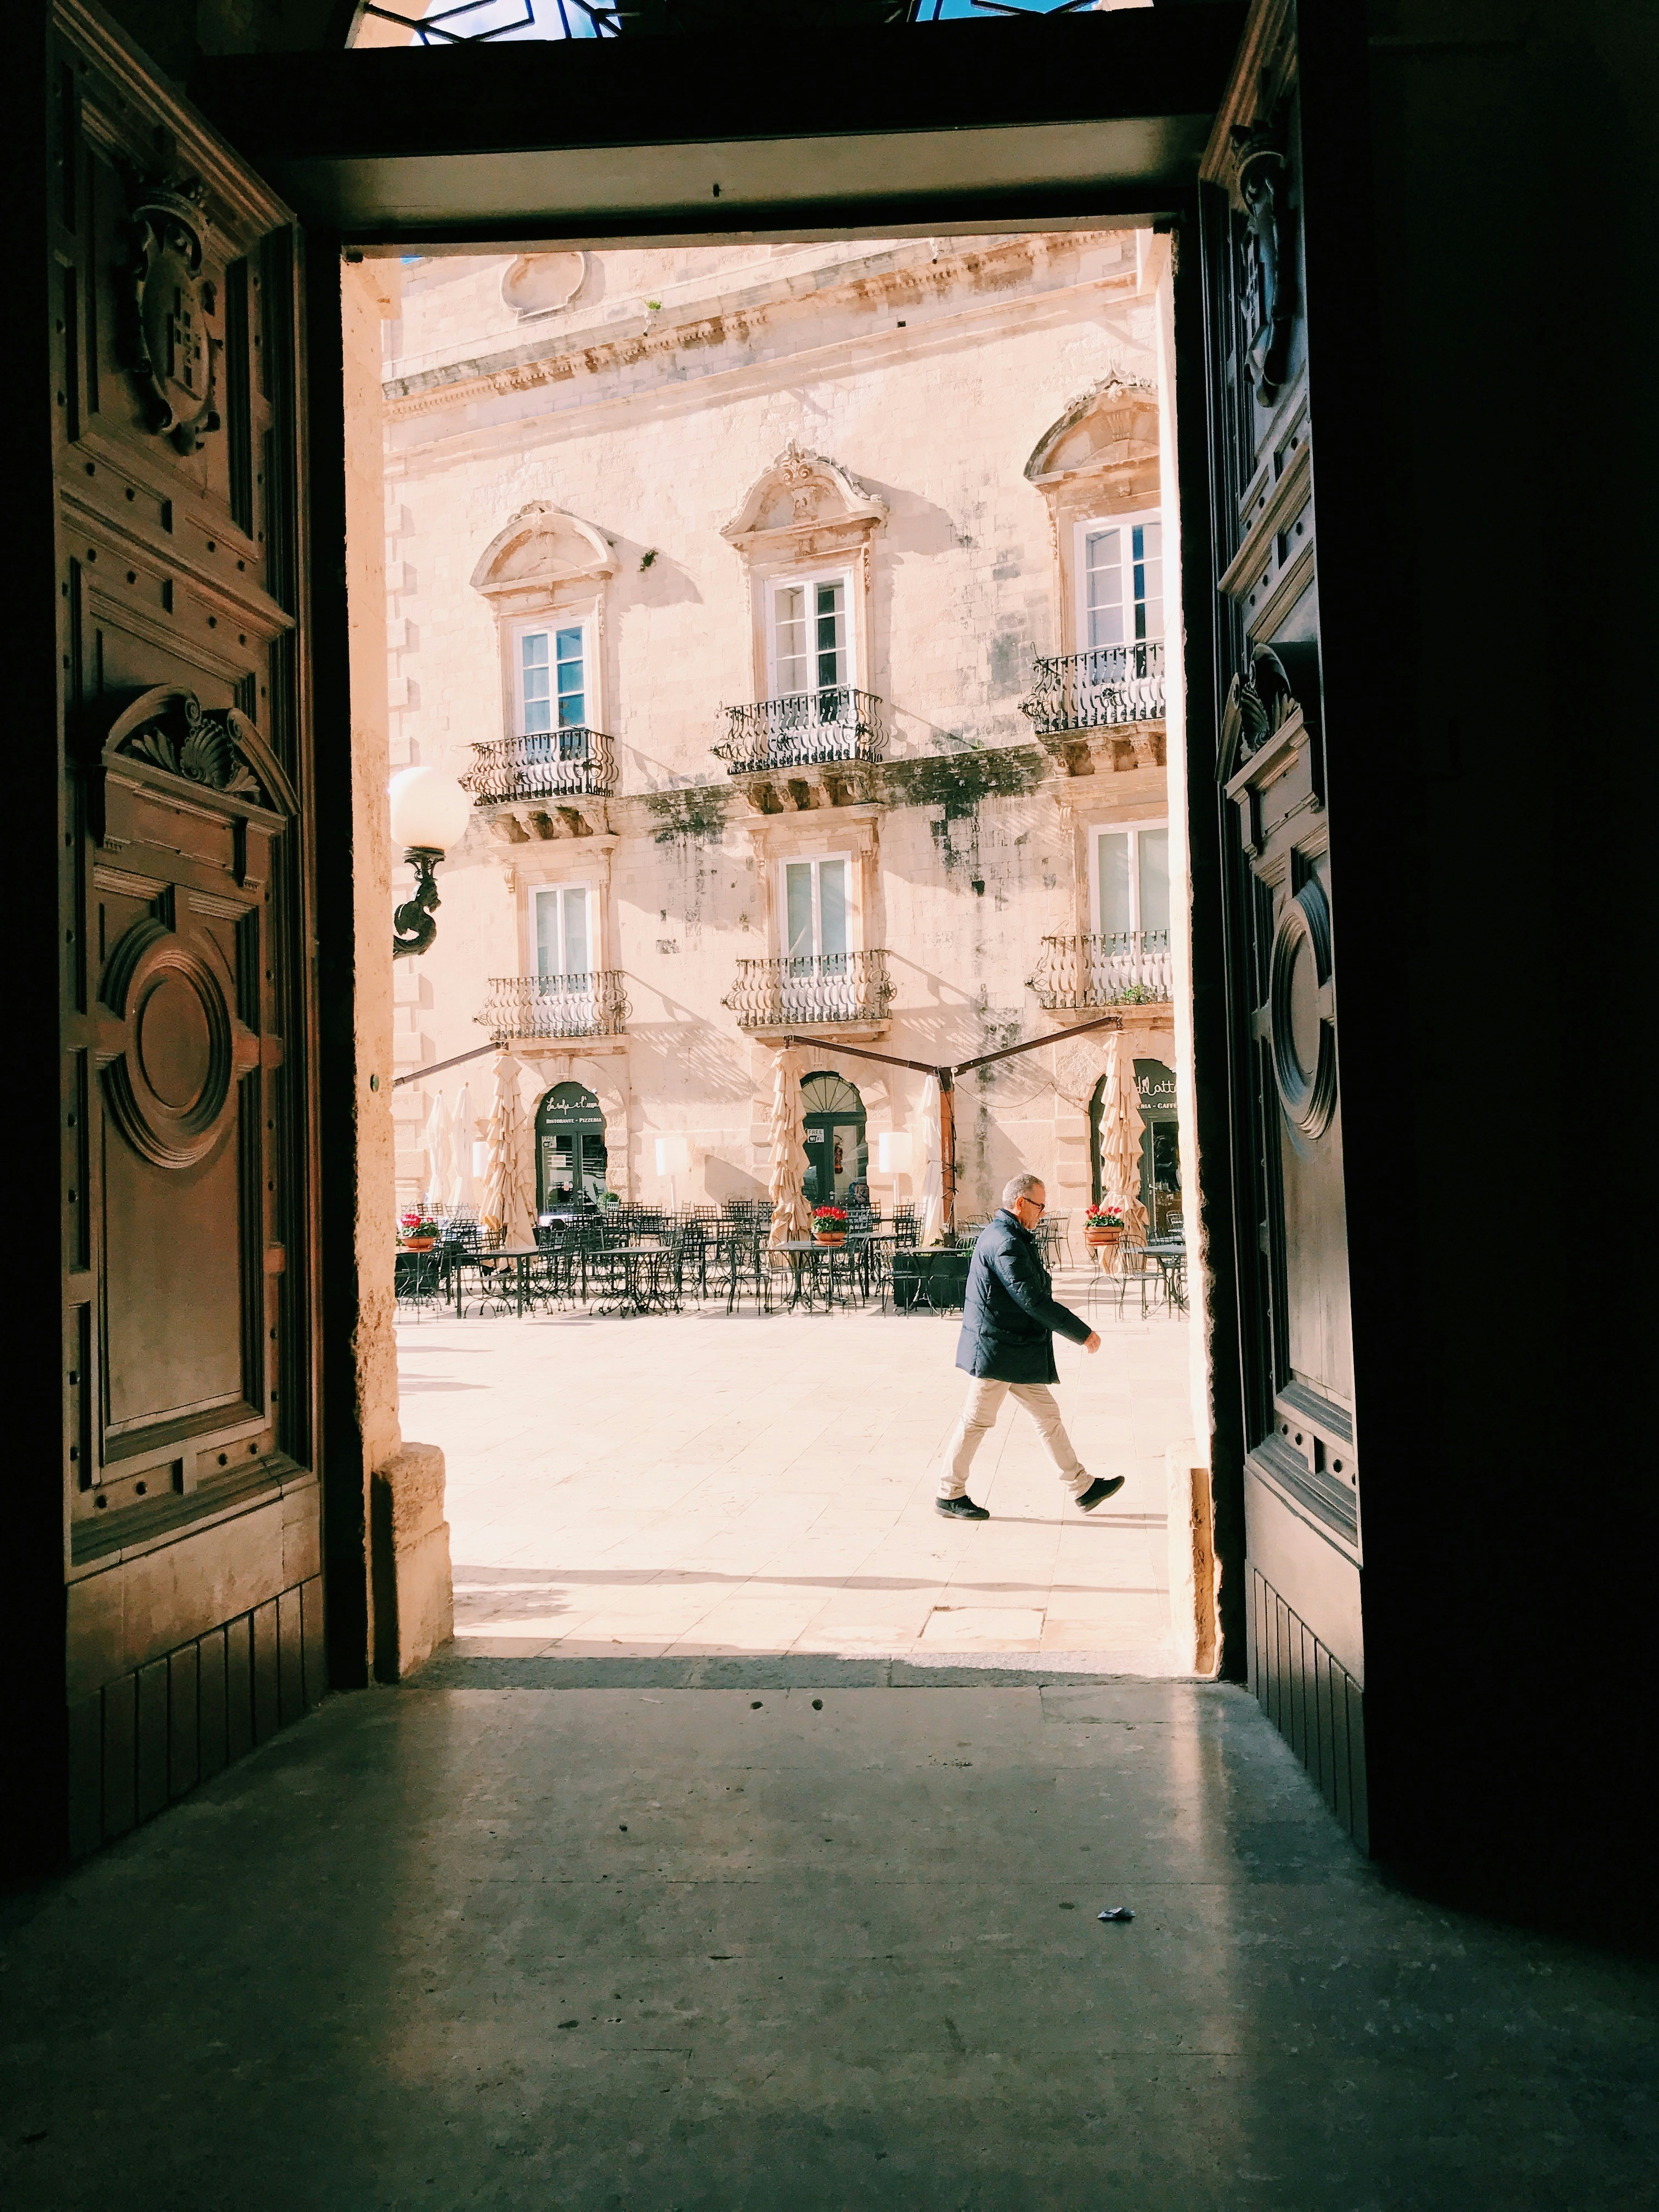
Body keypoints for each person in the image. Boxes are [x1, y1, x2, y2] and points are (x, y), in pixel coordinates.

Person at [938, 1172, 1125, 1521]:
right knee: (976, 1421)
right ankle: (949, 1493)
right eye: (1039, 1205)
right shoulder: (1005, 1241)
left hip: (1011, 1348)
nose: (1042, 1212)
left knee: (1047, 1417)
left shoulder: (1007, 1234)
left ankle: (1082, 1487)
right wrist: (1082, 1333)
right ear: (1020, 1203)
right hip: (996, 1350)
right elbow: (1032, 1299)